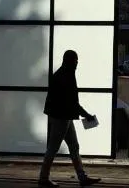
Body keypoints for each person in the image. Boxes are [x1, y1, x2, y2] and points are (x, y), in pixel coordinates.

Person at [39, 50, 101, 187]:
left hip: (62, 116)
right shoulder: (65, 77)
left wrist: (84, 114)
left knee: (72, 146)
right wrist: (87, 115)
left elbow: (70, 102)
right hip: (62, 117)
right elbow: (72, 102)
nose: (77, 63)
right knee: (54, 148)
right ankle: (43, 178)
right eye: (75, 60)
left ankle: (82, 177)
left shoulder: (63, 74)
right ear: (70, 61)